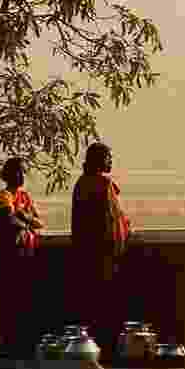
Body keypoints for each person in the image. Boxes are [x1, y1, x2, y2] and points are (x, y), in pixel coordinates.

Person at [0, 157, 44, 358]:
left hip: (22, 254)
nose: (20, 176)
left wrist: (22, 216)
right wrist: (24, 217)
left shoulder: (23, 196)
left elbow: (38, 223)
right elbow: (9, 221)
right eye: (17, 172)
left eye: (22, 172)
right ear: (8, 175)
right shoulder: (3, 196)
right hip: (5, 256)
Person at [70, 141, 132, 329]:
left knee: (89, 303)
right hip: (103, 253)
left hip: (85, 251)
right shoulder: (103, 184)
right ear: (99, 160)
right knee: (105, 301)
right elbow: (113, 220)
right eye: (108, 157)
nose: (111, 161)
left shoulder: (81, 183)